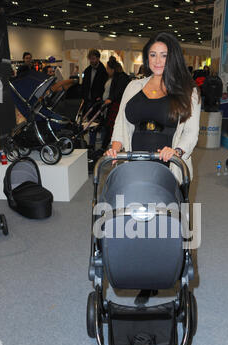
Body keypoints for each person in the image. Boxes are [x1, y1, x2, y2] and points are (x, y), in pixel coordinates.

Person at [105, 32, 201, 305]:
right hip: (134, 163)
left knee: (163, 224)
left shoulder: (188, 92)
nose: (158, 60)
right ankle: (136, 269)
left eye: (164, 55)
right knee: (132, 221)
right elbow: (121, 126)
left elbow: (191, 134)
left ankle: (163, 268)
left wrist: (177, 152)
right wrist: (115, 146)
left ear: (173, 58)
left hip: (167, 167)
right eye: (153, 55)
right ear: (147, 58)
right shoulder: (134, 87)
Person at [102, 56, 131, 148]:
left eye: (108, 69)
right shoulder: (121, 77)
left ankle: (109, 145)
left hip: (116, 105)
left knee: (113, 126)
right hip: (116, 104)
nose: (107, 70)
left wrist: (111, 99)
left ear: (112, 69)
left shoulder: (119, 78)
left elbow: (118, 91)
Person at [81, 49, 108, 117]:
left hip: (97, 101)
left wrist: (99, 96)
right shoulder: (87, 70)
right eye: (90, 59)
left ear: (98, 58)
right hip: (87, 100)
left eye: (93, 59)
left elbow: (104, 86)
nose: (91, 61)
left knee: (95, 120)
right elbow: (84, 85)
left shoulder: (103, 71)